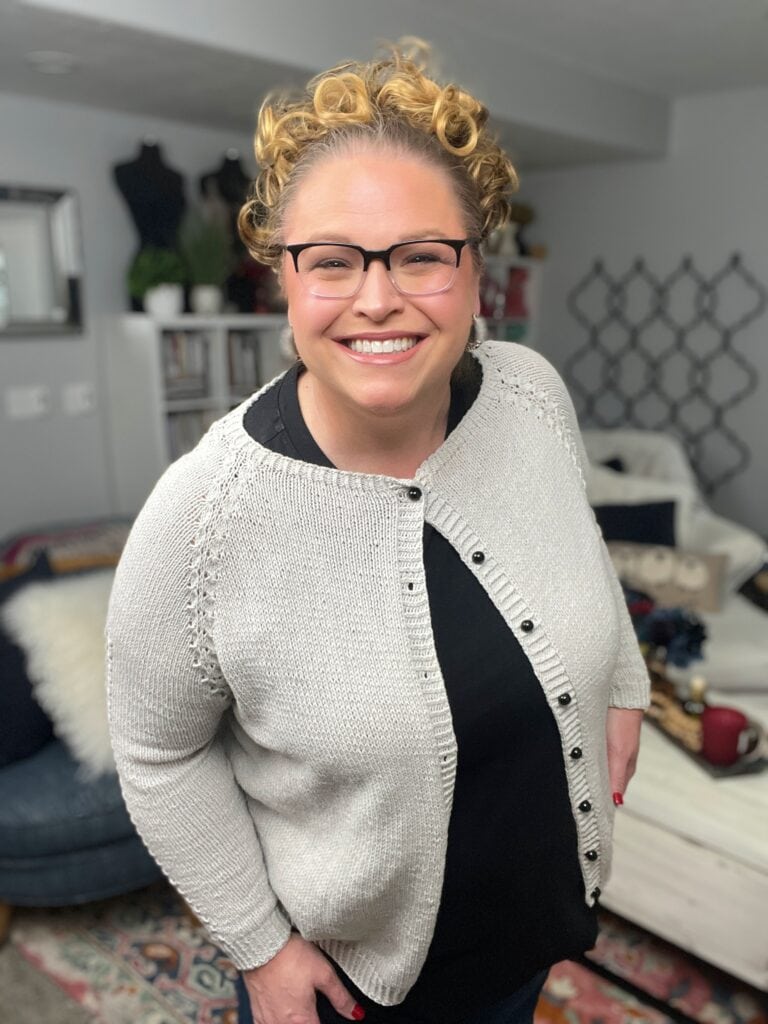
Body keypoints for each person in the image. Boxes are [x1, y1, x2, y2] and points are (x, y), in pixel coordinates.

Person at [106, 43, 649, 1024]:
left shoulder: (530, 393)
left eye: (421, 255)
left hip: (531, 928)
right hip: (355, 991)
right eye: (332, 260)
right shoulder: (201, 519)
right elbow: (157, 755)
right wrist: (261, 948)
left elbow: (577, 542)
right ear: (283, 276)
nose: (376, 297)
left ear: (477, 264)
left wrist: (623, 679)